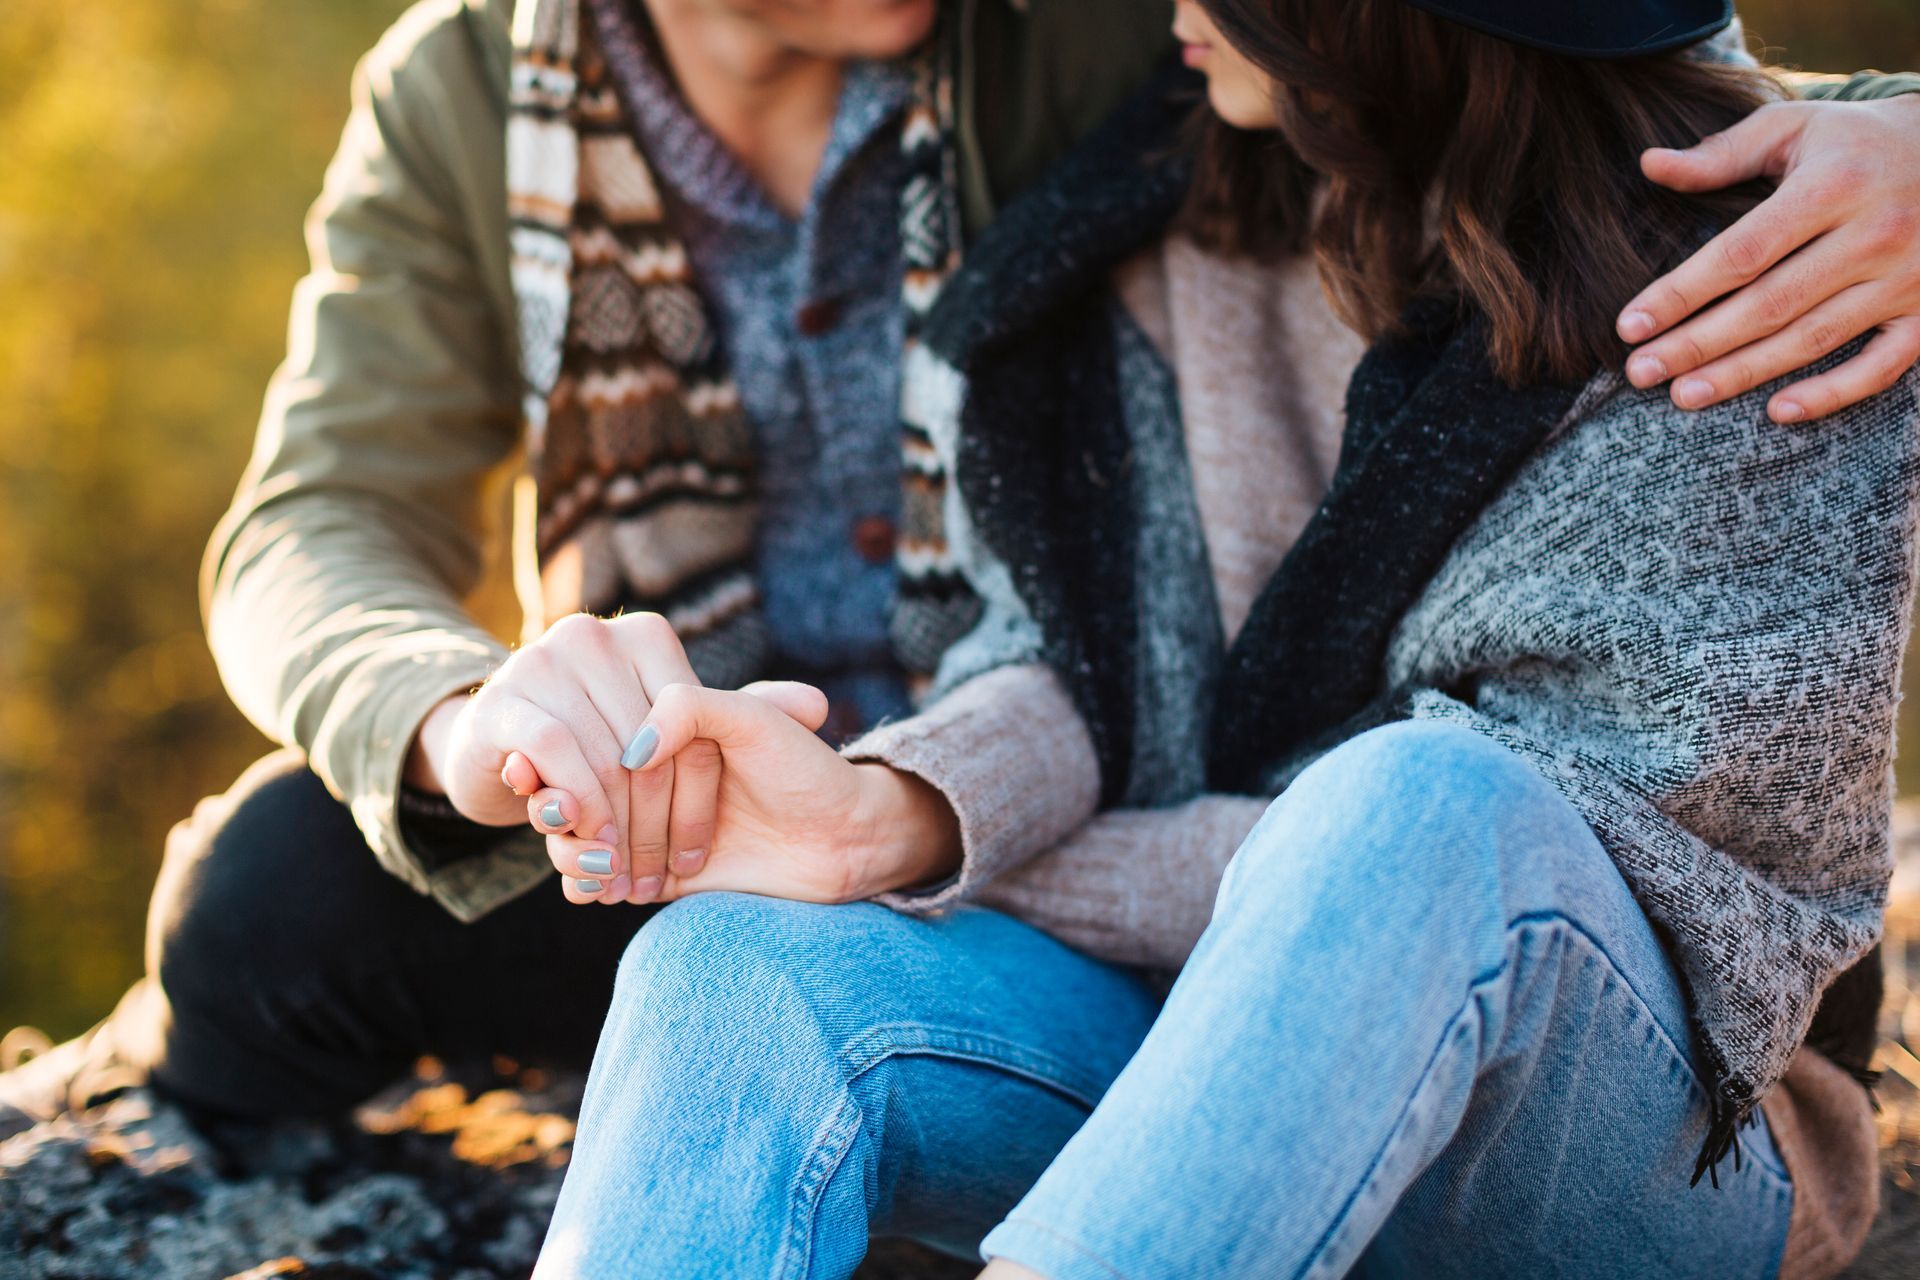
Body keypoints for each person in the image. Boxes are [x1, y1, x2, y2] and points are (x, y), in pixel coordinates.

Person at [0, 0, 1916, 1146]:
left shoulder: (1079, 24)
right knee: (259, 910)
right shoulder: (461, 91)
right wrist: (464, 708)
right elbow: (309, 522)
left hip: (1078, 798)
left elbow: (1503, 57)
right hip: (704, 814)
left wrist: (1892, 133)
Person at [529, 2, 1920, 1277]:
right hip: (1185, 1042)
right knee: (734, 972)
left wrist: (1037, 873)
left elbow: (1517, 859)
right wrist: (887, 815)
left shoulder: (1774, 274)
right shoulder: (1185, 217)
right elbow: (1083, 663)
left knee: (1424, 808)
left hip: (1631, 1136)